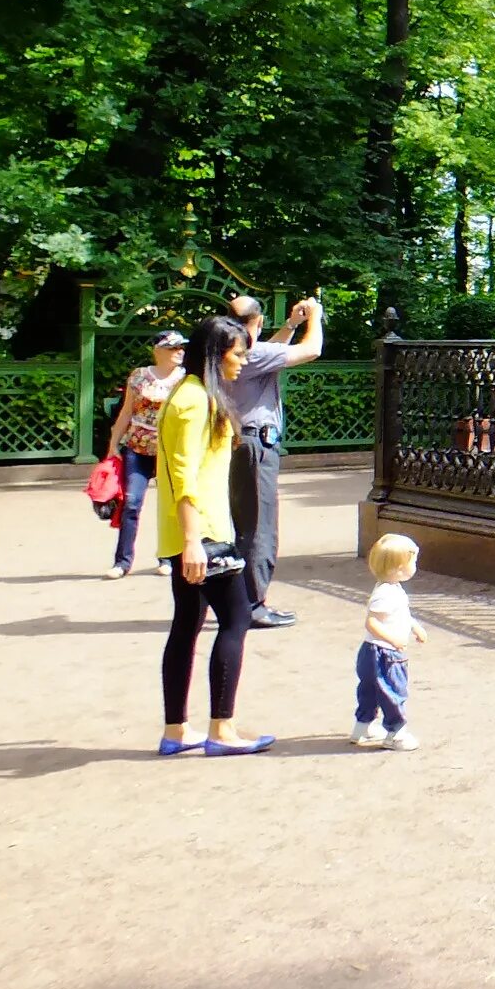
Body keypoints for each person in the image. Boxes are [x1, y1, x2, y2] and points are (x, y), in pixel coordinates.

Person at [155, 315, 272, 757]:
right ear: (215, 353)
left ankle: (175, 731)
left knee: (186, 626)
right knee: (237, 620)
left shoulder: (192, 396)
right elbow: (182, 475)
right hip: (203, 535)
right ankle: (221, 730)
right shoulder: (194, 401)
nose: (243, 361)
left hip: (195, 532)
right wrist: (192, 541)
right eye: (237, 352)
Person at [227, 293, 324, 628]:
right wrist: (315, 317)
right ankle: (253, 605)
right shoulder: (251, 352)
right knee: (259, 527)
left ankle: (243, 600)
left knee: (246, 524)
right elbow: (312, 350)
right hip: (256, 446)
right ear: (258, 321)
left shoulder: (233, 350)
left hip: (241, 444)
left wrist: (290, 325)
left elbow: (270, 349)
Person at [100, 331, 186, 579]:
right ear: (157, 351)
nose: (179, 352)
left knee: (170, 505)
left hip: (169, 449)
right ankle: (122, 562)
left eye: (181, 347)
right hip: (137, 447)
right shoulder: (139, 376)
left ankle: (168, 557)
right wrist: (113, 444)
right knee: (132, 502)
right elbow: (126, 411)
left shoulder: (185, 379)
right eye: (173, 348)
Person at [353, 533, 429, 752]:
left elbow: (401, 615)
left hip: (373, 652)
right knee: (392, 692)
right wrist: (393, 639)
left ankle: (362, 728)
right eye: (412, 561)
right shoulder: (385, 593)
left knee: (370, 691)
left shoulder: (391, 589)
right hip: (384, 653)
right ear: (398, 567)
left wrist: (415, 627)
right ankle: (396, 733)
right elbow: (372, 623)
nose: (415, 565)